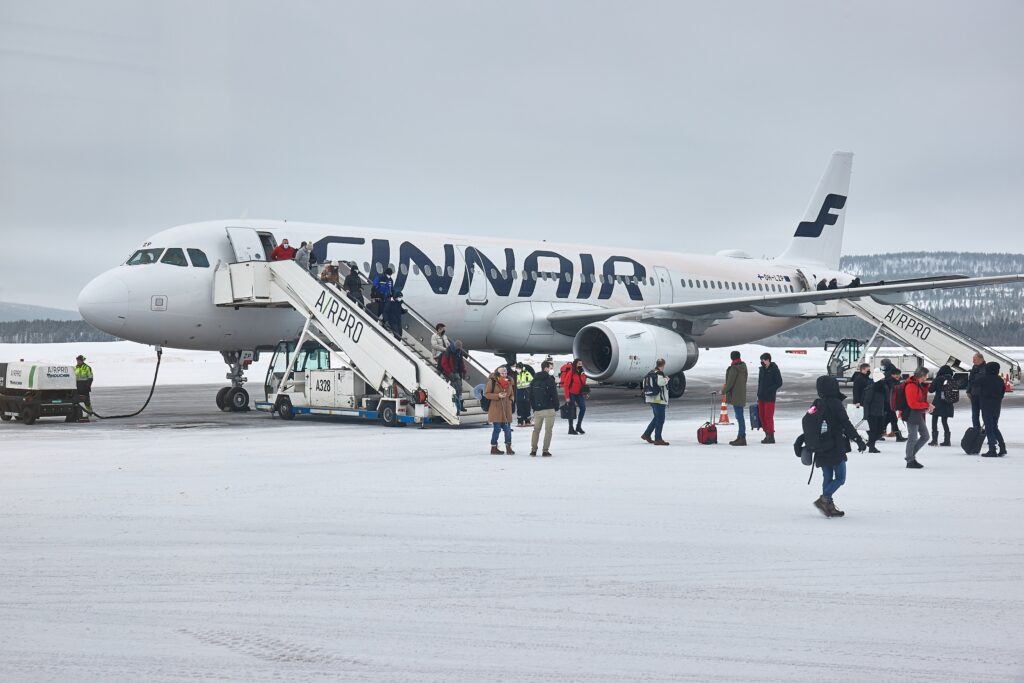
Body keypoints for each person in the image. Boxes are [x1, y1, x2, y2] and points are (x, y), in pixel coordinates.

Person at [808, 376, 867, 518]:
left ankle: (829, 506)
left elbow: (809, 422)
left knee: (827, 476)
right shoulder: (835, 403)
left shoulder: (817, 403)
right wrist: (858, 440)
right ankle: (825, 499)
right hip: (834, 445)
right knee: (840, 477)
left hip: (820, 445)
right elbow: (846, 424)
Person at [903, 367, 933, 469]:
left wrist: (927, 405)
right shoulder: (911, 386)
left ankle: (910, 457)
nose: (926, 378)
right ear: (921, 375)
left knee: (925, 436)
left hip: (916, 413)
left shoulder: (917, 384)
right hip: (911, 413)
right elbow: (912, 404)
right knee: (913, 437)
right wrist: (926, 405)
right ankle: (910, 460)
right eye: (926, 376)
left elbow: (918, 401)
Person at [528, 360, 559, 456]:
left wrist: (534, 407)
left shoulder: (534, 380)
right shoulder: (550, 380)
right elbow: (554, 395)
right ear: (546, 368)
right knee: (548, 431)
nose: (551, 370)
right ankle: (545, 451)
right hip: (549, 409)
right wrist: (556, 406)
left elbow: (531, 395)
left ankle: (533, 450)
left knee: (536, 430)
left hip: (538, 409)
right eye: (550, 368)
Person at [484, 366, 516, 455]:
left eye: (505, 373)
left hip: (506, 409)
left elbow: (512, 394)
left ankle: (508, 447)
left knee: (508, 429)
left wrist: (511, 400)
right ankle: (494, 448)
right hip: (496, 409)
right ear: (498, 374)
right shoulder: (492, 382)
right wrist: (498, 396)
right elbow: (486, 394)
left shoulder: (509, 382)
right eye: (502, 373)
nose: (504, 375)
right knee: (497, 429)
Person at [861, 369, 893, 453]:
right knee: (873, 431)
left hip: (881, 412)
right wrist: (866, 415)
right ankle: (872, 447)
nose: (883, 380)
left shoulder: (883, 388)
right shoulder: (871, 388)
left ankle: (870, 443)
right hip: (872, 413)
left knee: (879, 431)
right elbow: (866, 402)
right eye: (882, 379)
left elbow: (886, 400)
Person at [978, 361, 1007, 457]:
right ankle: (1002, 447)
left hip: (986, 406)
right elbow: (1002, 393)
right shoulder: (1000, 380)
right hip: (996, 406)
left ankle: (992, 449)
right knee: (994, 427)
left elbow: (975, 386)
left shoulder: (983, 379)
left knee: (989, 428)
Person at [640, 358, 670, 445]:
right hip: (659, 400)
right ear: (663, 365)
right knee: (660, 419)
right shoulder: (659, 374)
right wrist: (666, 379)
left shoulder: (650, 373)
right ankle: (658, 439)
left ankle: (646, 434)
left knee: (656, 418)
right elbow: (660, 383)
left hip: (651, 398)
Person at [722, 350, 748, 446]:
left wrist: (723, 391)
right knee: (740, 416)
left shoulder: (734, 368)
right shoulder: (743, 366)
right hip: (741, 394)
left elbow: (730, 383)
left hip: (736, 396)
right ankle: (740, 436)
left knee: (739, 417)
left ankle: (742, 437)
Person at [756, 352, 782, 444]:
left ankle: (771, 436)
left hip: (770, 397)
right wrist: (758, 393)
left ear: (768, 360)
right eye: (761, 360)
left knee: (768, 416)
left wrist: (770, 390)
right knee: (762, 416)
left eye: (763, 360)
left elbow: (779, 383)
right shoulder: (761, 370)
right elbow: (760, 383)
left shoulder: (774, 370)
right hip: (761, 397)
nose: (762, 362)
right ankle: (767, 433)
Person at [928, 365, 955, 447]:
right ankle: (947, 441)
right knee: (944, 421)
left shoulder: (938, 379)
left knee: (934, 420)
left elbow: (931, 390)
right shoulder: (952, 379)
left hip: (938, 402)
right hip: (948, 403)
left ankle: (934, 440)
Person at [880, 359, 906, 442]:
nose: (898, 376)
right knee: (892, 418)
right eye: (896, 375)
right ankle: (898, 436)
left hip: (889, 401)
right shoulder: (890, 377)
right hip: (889, 402)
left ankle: (879, 433)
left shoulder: (889, 374)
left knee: (889, 419)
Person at [561, 358, 588, 435]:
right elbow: (566, 385)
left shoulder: (582, 372)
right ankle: (570, 428)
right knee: (571, 410)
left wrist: (585, 393)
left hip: (579, 393)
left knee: (583, 408)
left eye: (581, 364)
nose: (580, 365)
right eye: (579, 363)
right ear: (575, 364)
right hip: (571, 393)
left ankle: (578, 426)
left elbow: (583, 384)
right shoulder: (571, 373)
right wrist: (567, 397)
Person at [441, 340, 467, 413]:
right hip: (451, 373)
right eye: (458, 347)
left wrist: (464, 371)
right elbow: (444, 363)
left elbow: (461, 362)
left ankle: (459, 406)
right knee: (454, 390)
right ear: (455, 346)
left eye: (460, 348)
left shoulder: (459, 352)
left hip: (457, 372)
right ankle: (456, 408)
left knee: (459, 389)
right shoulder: (448, 351)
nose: (459, 349)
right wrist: (450, 373)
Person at [967, 352, 986, 430]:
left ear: (981, 359)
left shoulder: (986, 368)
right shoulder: (974, 367)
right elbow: (970, 380)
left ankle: (988, 430)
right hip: (974, 394)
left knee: (985, 414)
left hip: (983, 395)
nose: (973, 361)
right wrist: (968, 391)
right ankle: (976, 429)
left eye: (975, 359)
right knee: (975, 414)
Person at [74, 354, 94, 421]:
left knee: (86, 401)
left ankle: (90, 412)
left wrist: (87, 386)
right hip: (77, 386)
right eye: (77, 360)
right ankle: (78, 413)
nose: (78, 361)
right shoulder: (76, 367)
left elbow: (90, 377)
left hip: (84, 386)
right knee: (76, 400)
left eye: (79, 360)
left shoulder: (87, 367)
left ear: (82, 361)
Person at [515, 362, 534, 427]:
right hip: (519, 390)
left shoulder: (526, 373)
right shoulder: (515, 374)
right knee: (519, 405)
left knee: (527, 405)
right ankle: (520, 421)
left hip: (526, 390)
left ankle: (527, 421)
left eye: (519, 368)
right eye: (517, 368)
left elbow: (531, 380)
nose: (518, 369)